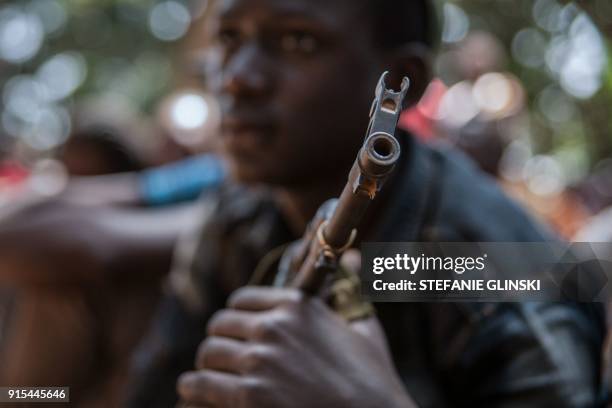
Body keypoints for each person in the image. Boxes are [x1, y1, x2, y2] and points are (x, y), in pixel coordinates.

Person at [126, 0, 605, 407]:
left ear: (402, 81)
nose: (237, 78)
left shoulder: (508, 270)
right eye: (228, 38)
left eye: (298, 41)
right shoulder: (240, 205)